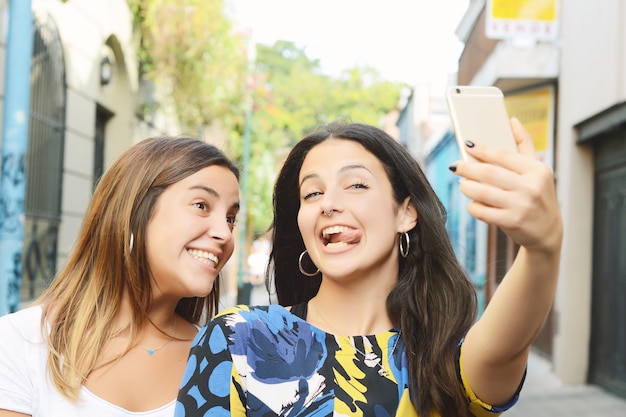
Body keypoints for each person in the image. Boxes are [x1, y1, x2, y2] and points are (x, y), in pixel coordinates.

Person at [175, 120, 562, 417]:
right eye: (312, 193)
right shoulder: (238, 337)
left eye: (356, 185)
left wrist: (543, 246)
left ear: (406, 213)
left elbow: (509, 343)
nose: (328, 203)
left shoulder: (447, 361)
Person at [0, 136, 240, 417]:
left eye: (230, 218)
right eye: (201, 205)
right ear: (134, 210)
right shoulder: (22, 342)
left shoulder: (225, 363)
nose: (224, 234)